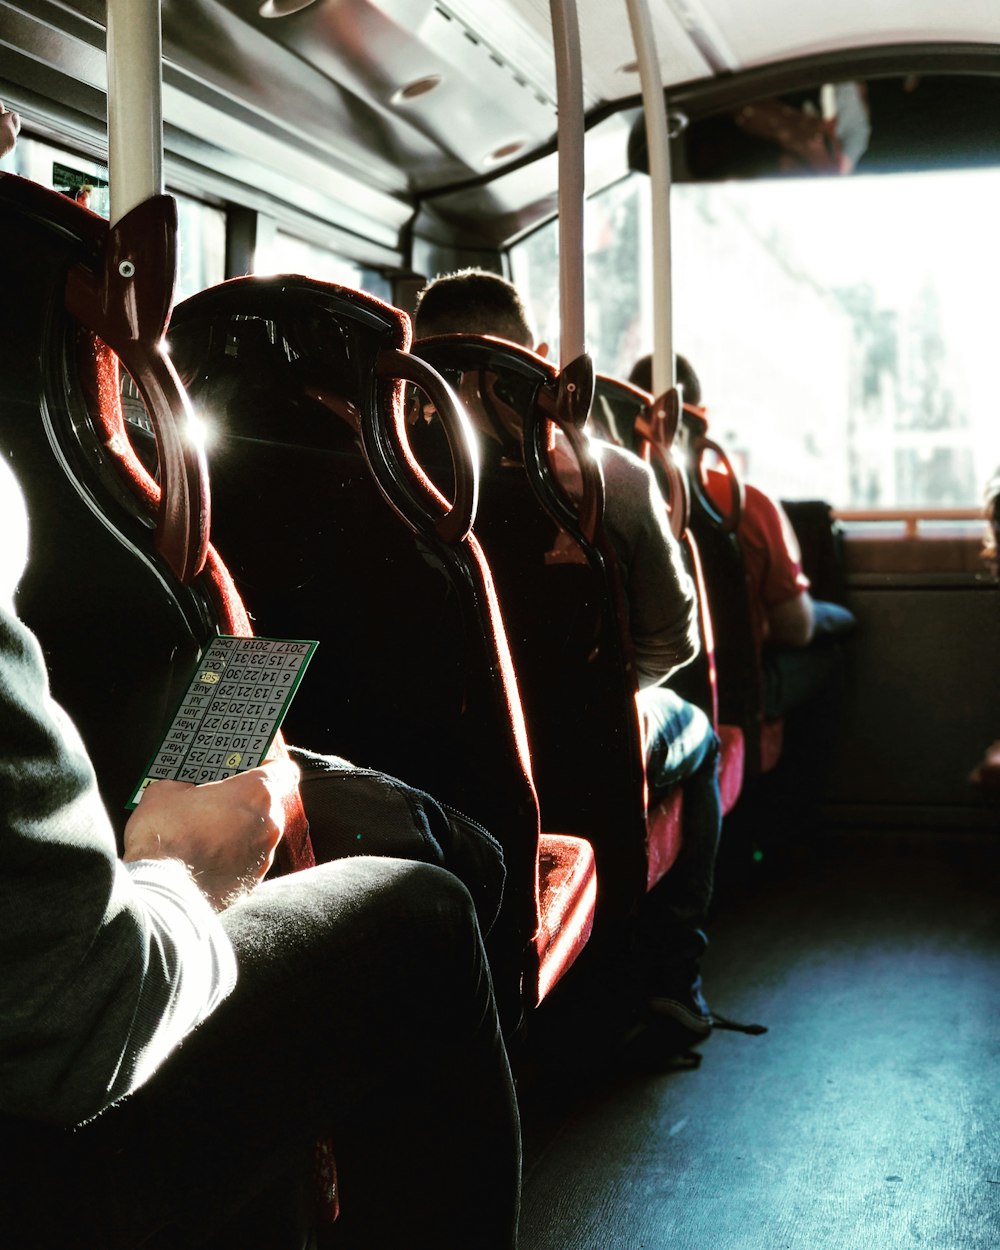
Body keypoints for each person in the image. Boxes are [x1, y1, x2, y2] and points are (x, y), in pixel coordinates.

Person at [1, 126, 520, 1240]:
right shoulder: (158, 518)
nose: (10, 136)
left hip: (163, 730)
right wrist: (184, 868)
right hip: (49, 1108)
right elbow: (78, 1004)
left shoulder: (148, 482)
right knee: (442, 889)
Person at [413, 269, 724, 1050]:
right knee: (699, 732)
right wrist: (589, 697)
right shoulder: (611, 477)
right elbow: (673, 640)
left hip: (434, 738)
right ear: (540, 359)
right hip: (583, 735)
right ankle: (674, 978)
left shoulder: (392, 474)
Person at [629, 350, 855, 724]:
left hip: (665, 681)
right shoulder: (746, 506)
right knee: (836, 640)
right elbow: (795, 629)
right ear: (702, 420)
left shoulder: (615, 499)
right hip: (741, 690)